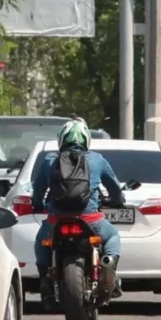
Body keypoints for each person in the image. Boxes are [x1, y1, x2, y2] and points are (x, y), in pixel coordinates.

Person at [29, 120, 125, 303]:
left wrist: (37, 204)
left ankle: (44, 279)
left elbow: (38, 192)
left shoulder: (50, 161)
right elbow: (114, 189)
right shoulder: (97, 159)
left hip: (56, 220)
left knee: (42, 240)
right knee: (112, 236)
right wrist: (117, 202)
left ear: (61, 140)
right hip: (91, 220)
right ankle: (107, 266)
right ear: (86, 140)